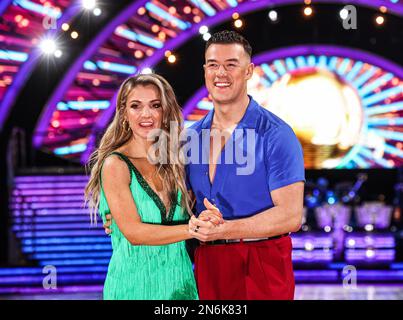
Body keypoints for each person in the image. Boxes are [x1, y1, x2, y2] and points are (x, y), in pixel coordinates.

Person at [104, 30, 305, 300]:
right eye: (213, 65)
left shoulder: (276, 134)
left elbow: (290, 216)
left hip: (261, 264)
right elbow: (178, 201)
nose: (220, 73)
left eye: (231, 64)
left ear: (249, 71)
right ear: (205, 71)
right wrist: (122, 217)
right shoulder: (188, 139)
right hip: (207, 264)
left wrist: (224, 230)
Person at [84, 73, 222, 300]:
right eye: (136, 106)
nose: (146, 114)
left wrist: (206, 218)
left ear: (164, 112)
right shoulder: (115, 165)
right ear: (124, 113)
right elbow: (134, 233)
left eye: (155, 105)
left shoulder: (178, 161)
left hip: (181, 286)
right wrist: (193, 229)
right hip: (133, 287)